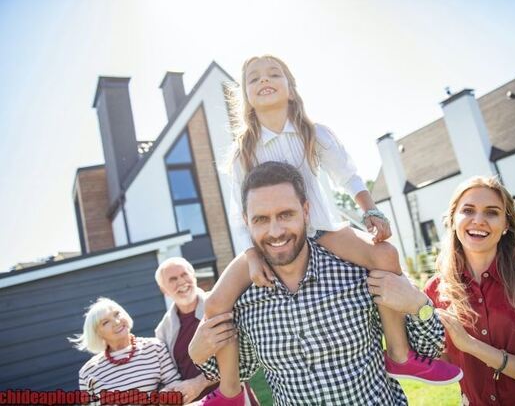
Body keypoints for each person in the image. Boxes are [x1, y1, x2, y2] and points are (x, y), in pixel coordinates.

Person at [202, 54, 460, 403]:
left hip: (322, 230)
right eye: (253, 78)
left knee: (385, 254)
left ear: (291, 89)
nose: (264, 80)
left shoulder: (314, 133)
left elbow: (348, 175)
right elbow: (240, 215)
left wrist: (371, 211)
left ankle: (400, 354)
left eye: (274, 74)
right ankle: (231, 392)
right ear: (244, 96)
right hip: (265, 245)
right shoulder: (241, 152)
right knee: (216, 302)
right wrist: (250, 256)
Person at [192, 161, 458, 405]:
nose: (275, 232)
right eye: (261, 219)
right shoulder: (244, 300)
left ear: (306, 211)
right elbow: (241, 370)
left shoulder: (359, 271)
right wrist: (197, 352)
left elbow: (430, 346)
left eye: (285, 214)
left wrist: (419, 305)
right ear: (246, 223)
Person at [424, 176, 515, 405]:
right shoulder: (436, 290)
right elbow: (446, 365)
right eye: (468, 210)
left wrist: (472, 346)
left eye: (491, 212)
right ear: (453, 219)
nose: (478, 220)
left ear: (506, 224)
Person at [154, 257, 259, 405]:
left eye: (184, 274)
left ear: (194, 276)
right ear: (164, 290)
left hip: (233, 397)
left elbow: (241, 358)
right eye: (172, 279)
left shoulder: (222, 305)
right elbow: (168, 374)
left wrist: (199, 383)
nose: (181, 282)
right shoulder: (163, 330)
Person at [70, 297, 182, 405]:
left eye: (117, 314)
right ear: (97, 334)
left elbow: (175, 384)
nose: (116, 322)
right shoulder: (88, 372)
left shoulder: (155, 348)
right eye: (105, 322)